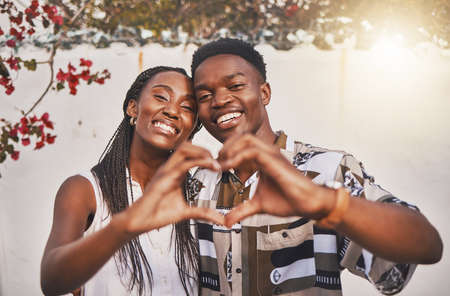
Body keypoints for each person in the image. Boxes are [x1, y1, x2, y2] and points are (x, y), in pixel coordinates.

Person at [187, 38, 443, 296]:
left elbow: (425, 247)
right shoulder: (197, 186)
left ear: (264, 93)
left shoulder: (326, 170)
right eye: (205, 95)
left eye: (235, 85)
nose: (219, 100)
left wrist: (326, 202)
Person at [40, 66, 224, 296]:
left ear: (192, 127)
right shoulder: (85, 190)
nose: (172, 111)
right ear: (132, 107)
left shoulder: (197, 196)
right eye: (160, 97)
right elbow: (51, 280)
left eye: (186, 107)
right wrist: (123, 227)